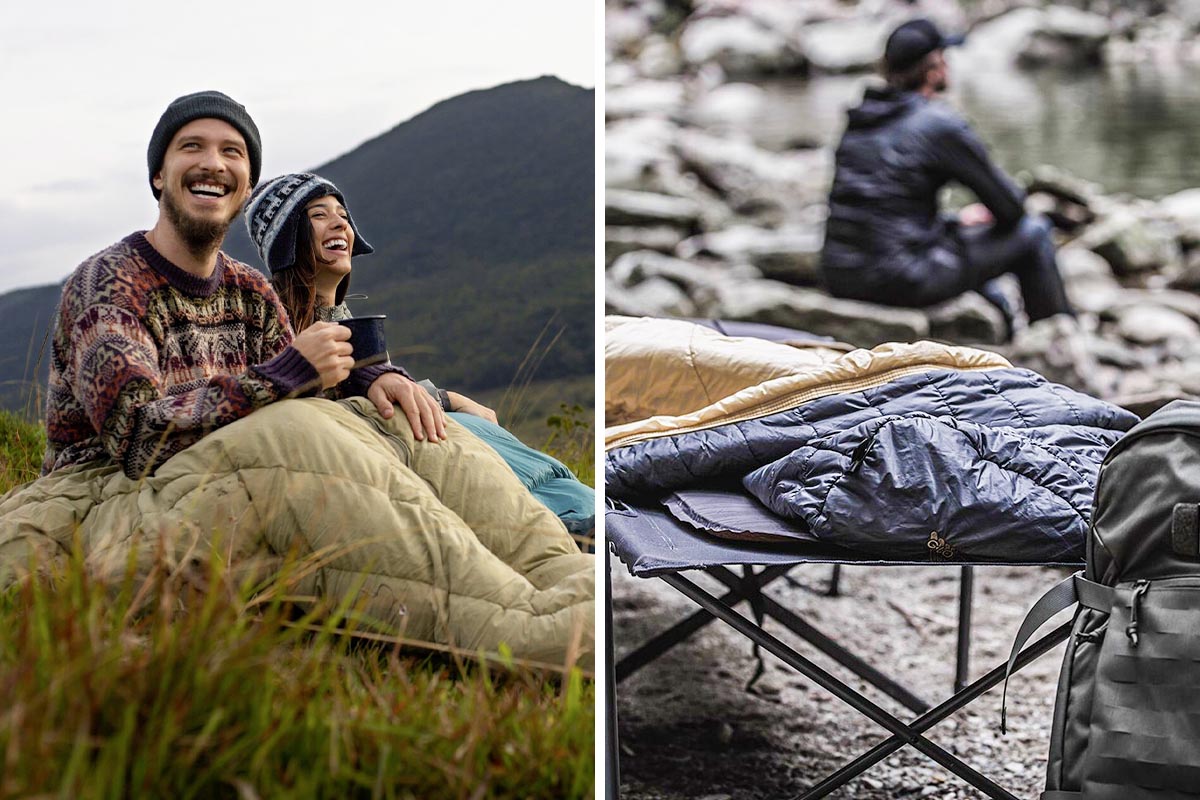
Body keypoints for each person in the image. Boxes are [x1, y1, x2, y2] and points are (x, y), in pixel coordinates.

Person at [12, 91, 593, 667]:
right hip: (110, 496)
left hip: (224, 482)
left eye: (233, 152)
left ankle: (572, 577)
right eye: (192, 147)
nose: (214, 163)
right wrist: (288, 373)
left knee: (393, 421)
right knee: (293, 430)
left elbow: (308, 393)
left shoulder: (248, 291)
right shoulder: (109, 283)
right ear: (159, 176)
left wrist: (370, 383)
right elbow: (138, 436)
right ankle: (526, 629)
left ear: (243, 184)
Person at [243, 171, 595, 537]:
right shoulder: (271, 323)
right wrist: (446, 402)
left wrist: (447, 399)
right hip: (353, 473)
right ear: (287, 239)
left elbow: (385, 395)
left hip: (392, 449)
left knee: (473, 428)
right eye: (319, 215)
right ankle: (562, 523)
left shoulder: (344, 318)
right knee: (463, 435)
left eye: (343, 217)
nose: (339, 225)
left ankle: (578, 516)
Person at [819, 18, 1087, 359]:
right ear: (934, 67)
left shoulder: (861, 117)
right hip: (898, 278)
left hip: (841, 272)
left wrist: (954, 222)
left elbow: (880, 205)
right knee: (1033, 232)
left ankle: (1002, 326)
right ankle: (1058, 348)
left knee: (960, 231)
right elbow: (1011, 208)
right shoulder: (938, 123)